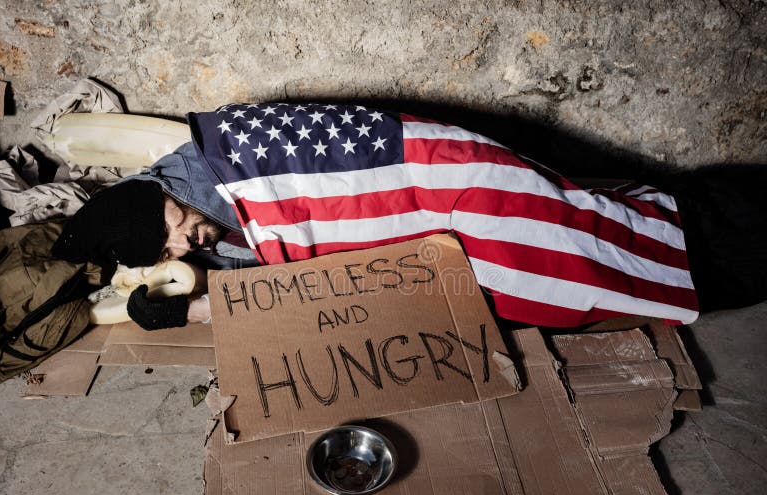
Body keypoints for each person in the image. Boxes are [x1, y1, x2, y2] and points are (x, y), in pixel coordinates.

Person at [53, 103, 766, 330]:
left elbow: (370, 167)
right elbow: (281, 280)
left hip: (446, 188)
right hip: (421, 235)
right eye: (172, 247)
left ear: (160, 194)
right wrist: (191, 303)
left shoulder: (237, 156)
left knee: (593, 250)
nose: (186, 243)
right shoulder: (188, 219)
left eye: (175, 227)